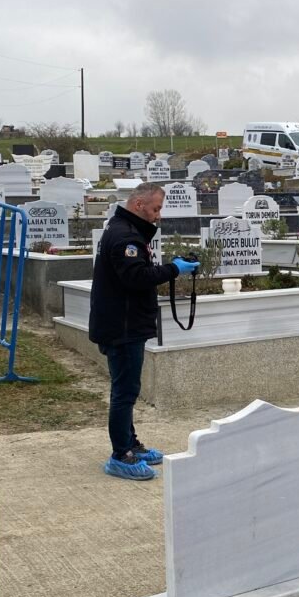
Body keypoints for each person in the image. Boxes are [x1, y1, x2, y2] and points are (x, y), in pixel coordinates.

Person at [89, 183, 199, 479]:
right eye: (155, 209)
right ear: (138, 204)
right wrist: (174, 269)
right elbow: (137, 277)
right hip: (122, 326)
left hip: (124, 322)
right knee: (124, 392)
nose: (158, 216)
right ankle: (120, 455)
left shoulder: (126, 229)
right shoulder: (125, 236)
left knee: (128, 388)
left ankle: (131, 444)